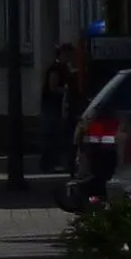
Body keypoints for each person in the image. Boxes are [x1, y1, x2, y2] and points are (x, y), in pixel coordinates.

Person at [40, 42, 78, 174]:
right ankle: (48, 164)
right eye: (69, 55)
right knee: (53, 135)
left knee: (57, 135)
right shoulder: (56, 68)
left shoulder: (63, 67)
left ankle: (52, 163)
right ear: (63, 54)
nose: (71, 58)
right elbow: (53, 87)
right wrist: (66, 91)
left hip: (57, 106)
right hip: (52, 106)